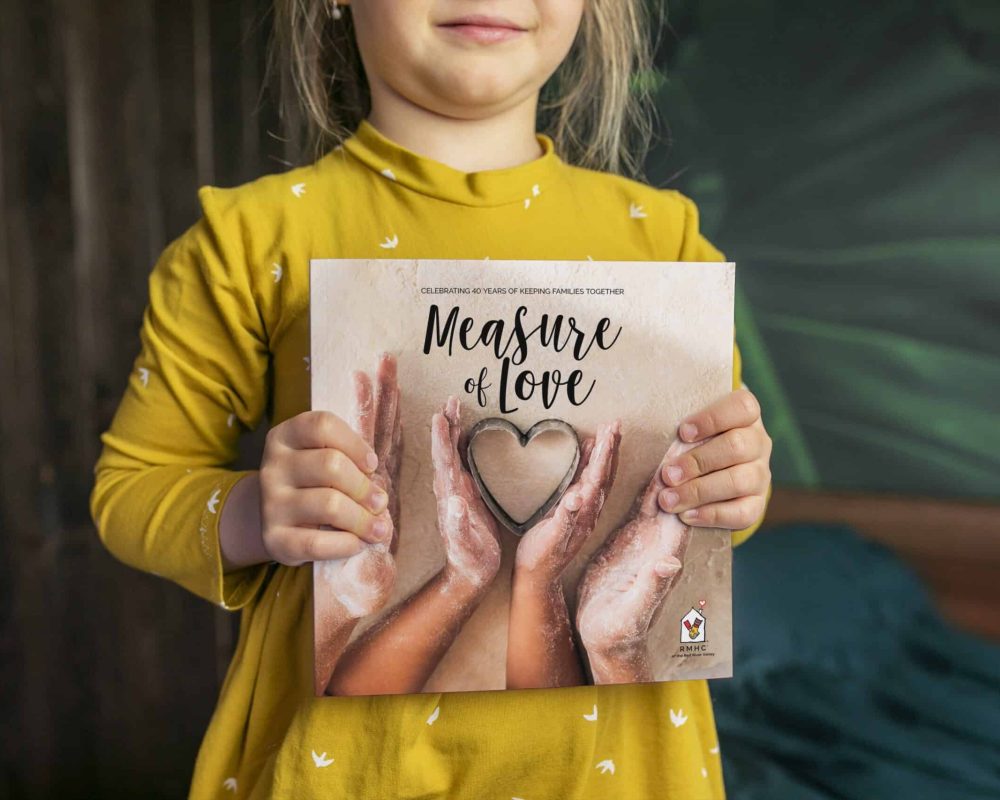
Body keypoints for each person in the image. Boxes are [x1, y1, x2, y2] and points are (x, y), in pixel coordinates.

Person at [89, 0, 774, 796]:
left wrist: (731, 488)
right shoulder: (249, 238)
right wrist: (252, 513)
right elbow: (131, 491)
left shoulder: (666, 241)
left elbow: (716, 515)